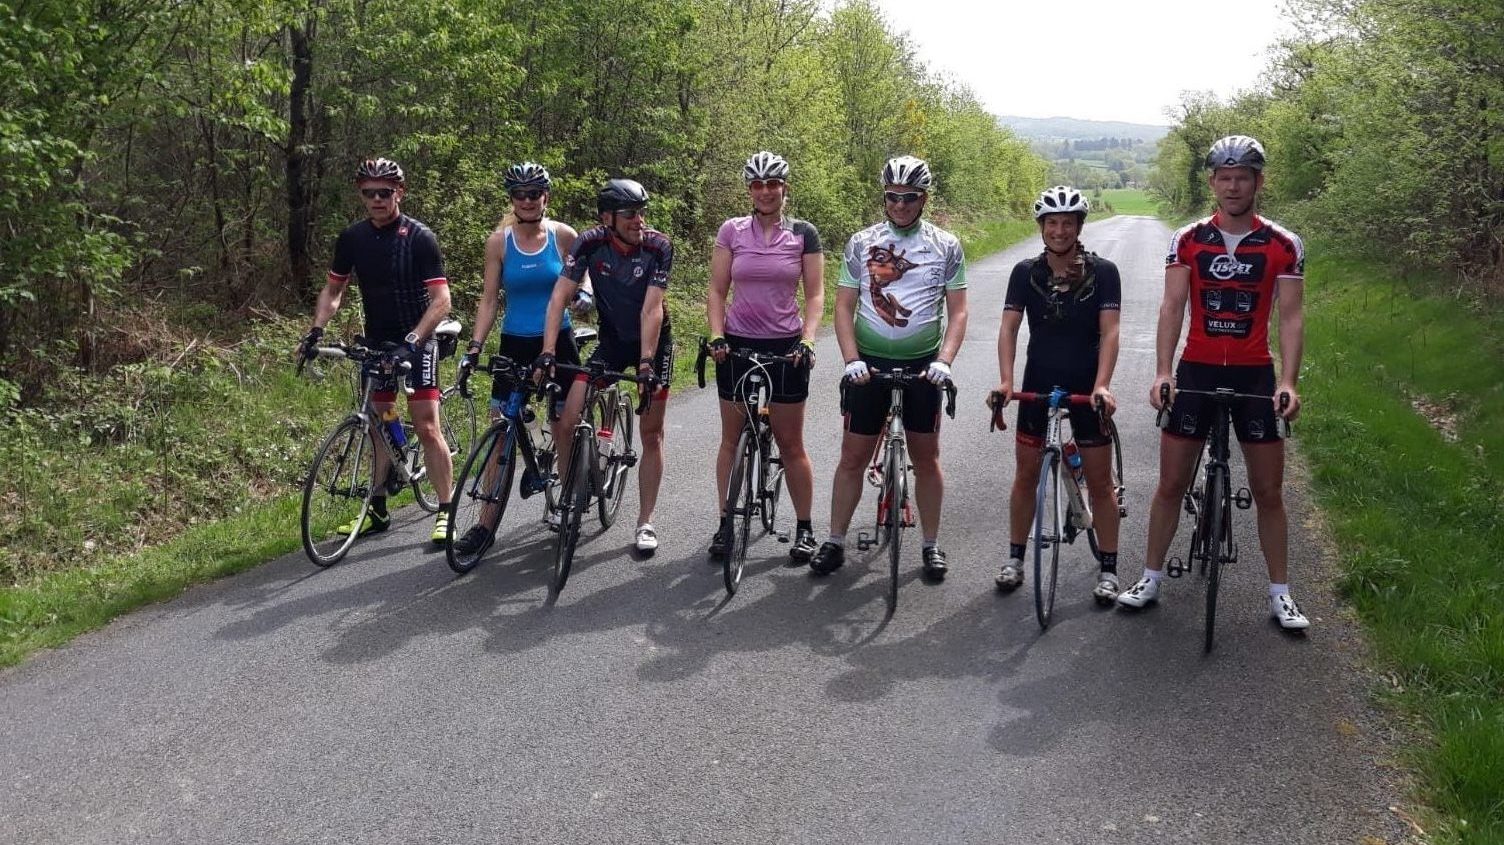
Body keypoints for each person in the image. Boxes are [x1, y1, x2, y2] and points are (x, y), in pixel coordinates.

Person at [1116, 135, 1310, 631]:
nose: (1233, 186)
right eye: (1224, 177)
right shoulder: (1187, 239)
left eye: (1243, 177)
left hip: (1252, 372)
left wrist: (1288, 380)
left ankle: (1281, 593)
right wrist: (1163, 372)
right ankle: (1150, 577)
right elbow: (1172, 307)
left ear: (1259, 182)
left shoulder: (1283, 245)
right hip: (1197, 370)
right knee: (1171, 483)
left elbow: (1290, 317)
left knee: (1269, 491)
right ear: (1212, 182)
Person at [808, 155, 968, 580]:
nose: (900, 204)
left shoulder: (946, 245)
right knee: (852, 457)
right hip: (869, 365)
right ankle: (835, 540)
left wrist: (945, 362)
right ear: (884, 197)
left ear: (923, 199)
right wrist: (850, 359)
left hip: (923, 366)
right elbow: (843, 308)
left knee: (927, 457)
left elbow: (959, 313)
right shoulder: (862, 242)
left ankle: (931, 545)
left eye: (909, 197)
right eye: (893, 197)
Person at [296, 157, 455, 544]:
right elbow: (334, 291)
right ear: (361, 195)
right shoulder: (352, 238)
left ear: (399, 192)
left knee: (426, 425)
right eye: (370, 193)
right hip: (378, 344)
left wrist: (414, 341)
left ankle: (447, 510)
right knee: (380, 424)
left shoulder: (420, 237)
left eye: (385, 192)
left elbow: (441, 300)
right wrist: (316, 331)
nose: (378, 199)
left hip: (418, 340)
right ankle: (378, 509)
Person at [451, 162, 589, 555]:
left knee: (564, 422)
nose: (527, 200)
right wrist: (475, 345)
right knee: (500, 431)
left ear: (546, 196)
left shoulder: (564, 235)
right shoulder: (499, 242)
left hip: (558, 341)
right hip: (514, 342)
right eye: (519, 194)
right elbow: (490, 299)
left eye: (534, 193)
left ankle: (567, 500)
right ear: (511, 199)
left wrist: (586, 295)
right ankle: (483, 527)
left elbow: (585, 274)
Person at [992, 186, 1122, 602]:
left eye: (1068, 222)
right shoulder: (1025, 272)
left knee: (1100, 483)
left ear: (1079, 226)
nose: (1060, 230)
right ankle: (1015, 559)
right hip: (1037, 385)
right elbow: (1009, 327)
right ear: (1042, 227)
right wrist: (1006, 381)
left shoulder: (1104, 273)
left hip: (1087, 387)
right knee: (1026, 475)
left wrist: (1103, 384)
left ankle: (1108, 567)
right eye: (1052, 223)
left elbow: (1110, 331)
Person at [536, 178, 673, 553]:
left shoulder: (658, 246)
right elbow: (559, 297)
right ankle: (570, 499)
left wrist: (646, 363)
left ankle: (645, 522)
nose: (639, 220)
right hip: (611, 340)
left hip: (654, 343)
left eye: (642, 212)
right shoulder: (589, 242)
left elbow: (652, 309)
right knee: (567, 418)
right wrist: (548, 351)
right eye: (630, 214)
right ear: (607, 217)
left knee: (651, 433)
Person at [706, 151, 824, 564]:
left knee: (791, 444)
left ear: (784, 188)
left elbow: (814, 295)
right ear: (749, 191)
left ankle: (806, 527)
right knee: (730, 438)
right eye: (757, 185)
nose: (766, 191)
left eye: (773, 184)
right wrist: (717, 335)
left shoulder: (803, 234)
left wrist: (807, 340)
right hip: (736, 343)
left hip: (786, 347)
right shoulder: (732, 231)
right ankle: (725, 522)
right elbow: (718, 290)